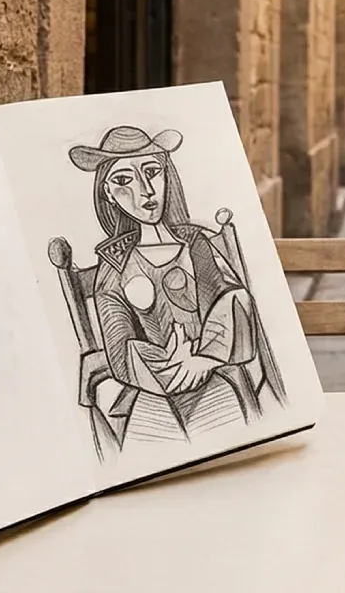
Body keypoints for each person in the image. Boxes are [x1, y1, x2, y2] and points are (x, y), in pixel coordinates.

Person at [68, 126, 283, 452]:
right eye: (124, 181)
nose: (144, 192)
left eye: (152, 172)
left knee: (231, 441)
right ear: (107, 194)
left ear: (168, 175)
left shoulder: (196, 243)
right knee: (154, 449)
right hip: (151, 387)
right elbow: (119, 347)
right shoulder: (113, 266)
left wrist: (203, 359)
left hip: (216, 375)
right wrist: (171, 370)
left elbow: (234, 304)